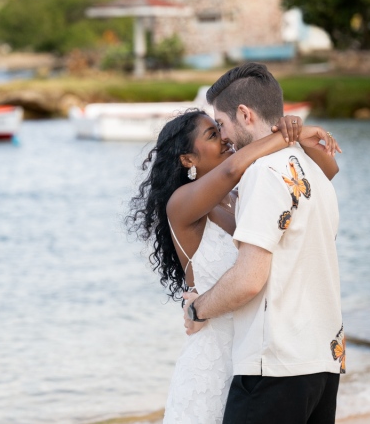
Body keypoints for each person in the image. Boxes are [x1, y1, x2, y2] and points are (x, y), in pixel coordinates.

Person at [127, 102, 340, 424]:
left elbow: (327, 174)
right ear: (188, 159)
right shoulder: (182, 203)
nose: (225, 139)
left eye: (221, 129)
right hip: (214, 359)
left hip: (259, 351)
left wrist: (300, 139)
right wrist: (288, 133)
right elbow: (230, 169)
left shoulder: (244, 193)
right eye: (213, 134)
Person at [184, 62, 345, 424]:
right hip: (324, 363)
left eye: (221, 124)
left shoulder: (263, 172)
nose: (223, 137)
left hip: (275, 369)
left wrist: (197, 310)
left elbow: (249, 279)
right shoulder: (316, 174)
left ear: (244, 114)